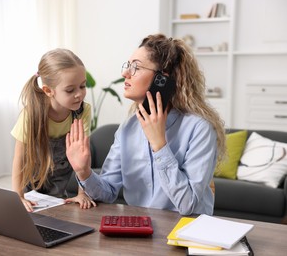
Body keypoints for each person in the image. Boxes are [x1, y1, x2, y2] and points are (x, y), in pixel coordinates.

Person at [66, 34, 226, 216]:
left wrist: (160, 145)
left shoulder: (200, 129)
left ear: (162, 79)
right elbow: (108, 192)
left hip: (186, 234)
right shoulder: (128, 129)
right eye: (128, 66)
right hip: (140, 231)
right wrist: (84, 172)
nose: (125, 73)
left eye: (136, 67)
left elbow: (188, 205)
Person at [11, 48, 96, 212]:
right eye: (70, 90)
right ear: (48, 91)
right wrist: (18, 196)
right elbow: (19, 158)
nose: (79, 94)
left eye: (83, 86)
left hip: (60, 181)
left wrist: (82, 192)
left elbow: (83, 156)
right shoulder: (31, 114)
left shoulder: (82, 111)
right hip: (32, 180)